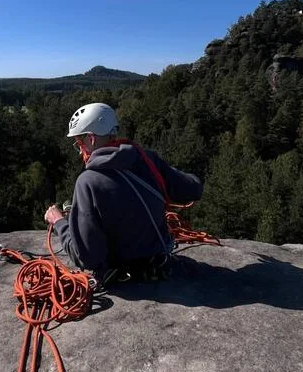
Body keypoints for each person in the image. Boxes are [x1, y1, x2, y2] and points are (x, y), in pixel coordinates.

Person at [44, 102, 203, 282]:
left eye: (79, 143)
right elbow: (194, 189)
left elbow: (87, 257)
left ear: (91, 139)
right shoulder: (147, 159)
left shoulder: (88, 182)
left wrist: (59, 223)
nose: (80, 150)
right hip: (161, 263)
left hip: (126, 278)